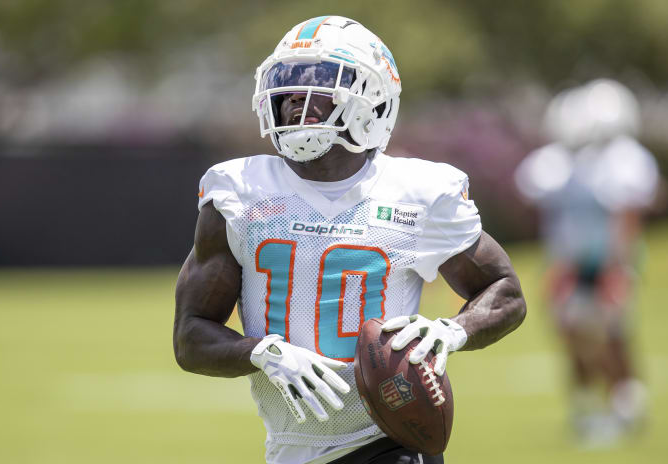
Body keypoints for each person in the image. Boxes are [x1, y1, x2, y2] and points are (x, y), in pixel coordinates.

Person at [174, 16, 526, 464]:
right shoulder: (238, 191)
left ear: (371, 101)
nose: (296, 101)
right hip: (290, 449)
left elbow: (506, 292)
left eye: (319, 88)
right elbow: (190, 337)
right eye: (288, 86)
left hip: (386, 438)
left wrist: (451, 331)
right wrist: (263, 351)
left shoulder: (418, 193)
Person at [514, 79, 659, 446]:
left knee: (611, 335)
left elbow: (630, 213)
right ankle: (589, 408)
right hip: (567, 263)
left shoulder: (622, 161)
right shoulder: (561, 163)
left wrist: (620, 266)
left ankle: (626, 407)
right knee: (572, 335)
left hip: (605, 262)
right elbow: (535, 199)